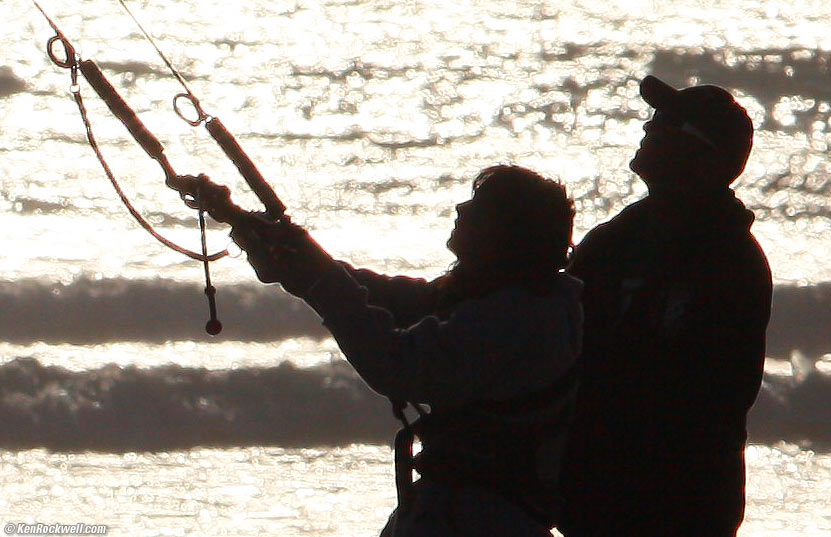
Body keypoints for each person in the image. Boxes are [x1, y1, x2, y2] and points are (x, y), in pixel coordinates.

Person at [215, 165, 583, 536]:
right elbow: (383, 297)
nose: (461, 209)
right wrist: (242, 221)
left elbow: (397, 365)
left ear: (506, 235)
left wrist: (313, 274)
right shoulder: (510, 300)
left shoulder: (518, 315)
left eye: (478, 206)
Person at [558, 76, 773, 537]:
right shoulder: (617, 238)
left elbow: (705, 394)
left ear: (701, 154)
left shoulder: (730, 261)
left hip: (679, 497)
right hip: (597, 489)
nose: (648, 129)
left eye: (665, 125)